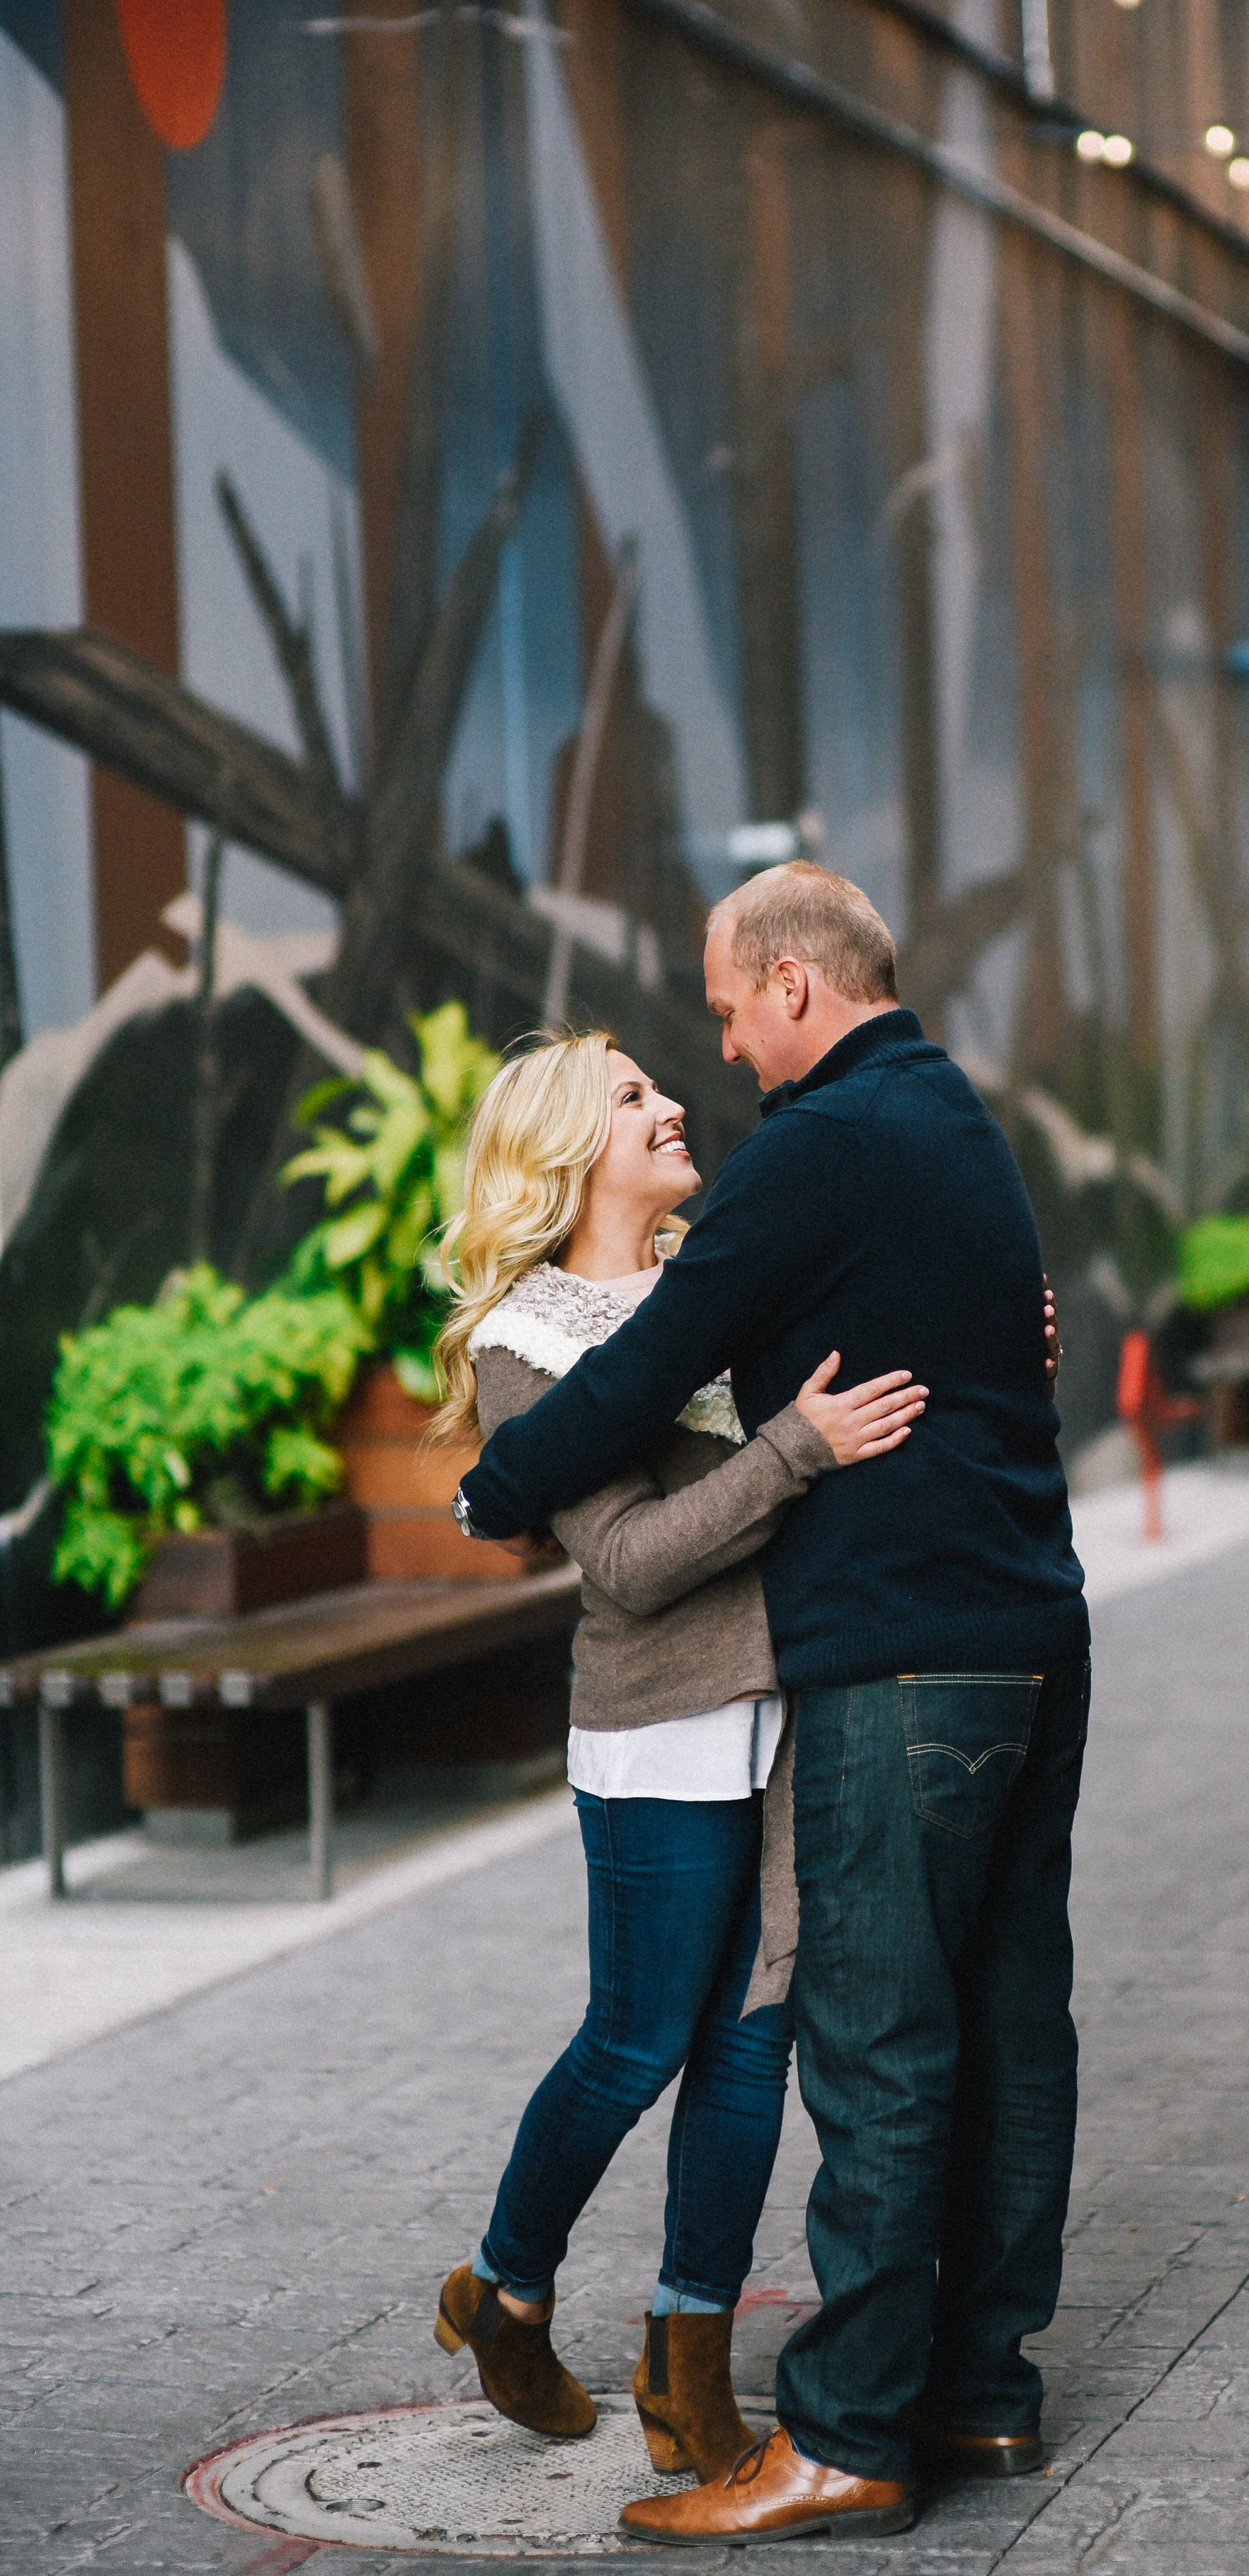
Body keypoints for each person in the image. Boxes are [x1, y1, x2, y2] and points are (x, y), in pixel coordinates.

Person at [456, 864, 1090, 2548]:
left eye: (728, 1011)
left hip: (895, 1657)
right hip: (1028, 1624)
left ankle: (847, 2437)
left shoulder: (812, 1150)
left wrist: (494, 1485)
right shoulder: (952, 1117)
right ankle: (980, 2390)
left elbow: (644, 1378)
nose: (720, 1053)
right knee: (1007, 2022)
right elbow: (975, 1337)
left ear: (797, 986)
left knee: (872, 2042)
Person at [428, 1026, 927, 2487]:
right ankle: (502, 2288)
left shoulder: (717, 1279)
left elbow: (869, 1355)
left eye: (659, 1083)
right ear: (568, 1148)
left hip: (785, 1710)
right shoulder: (529, 1344)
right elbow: (633, 1563)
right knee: (641, 2037)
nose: (670, 1105)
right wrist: (792, 1453)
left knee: (750, 2039)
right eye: (633, 1095)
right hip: (657, 1727)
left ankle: (684, 2361)